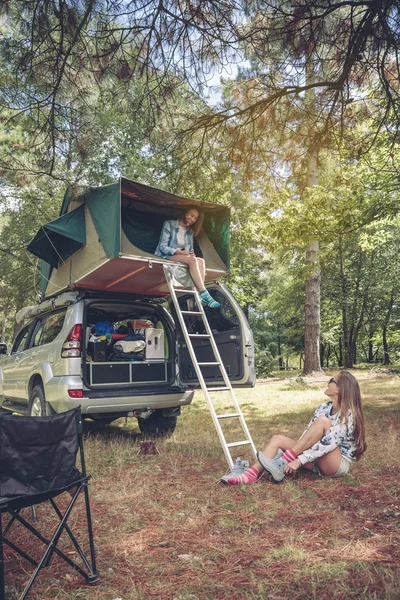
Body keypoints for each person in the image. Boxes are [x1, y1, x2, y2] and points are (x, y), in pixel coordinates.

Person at [225, 370, 367, 485]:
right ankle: (251, 474)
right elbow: (307, 435)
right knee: (278, 439)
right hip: (315, 460)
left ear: (339, 389)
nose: (328, 381)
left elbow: (329, 443)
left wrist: (298, 460)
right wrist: (297, 453)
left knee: (323, 422)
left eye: (331, 380)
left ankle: (282, 460)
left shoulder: (349, 415)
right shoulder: (323, 408)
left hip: (335, 464)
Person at [154, 206, 220, 308]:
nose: (193, 219)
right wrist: (179, 252)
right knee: (193, 260)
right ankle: (204, 293)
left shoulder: (190, 231)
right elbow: (163, 247)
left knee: (201, 261)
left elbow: (190, 250)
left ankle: (199, 295)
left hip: (182, 257)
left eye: (195, 218)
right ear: (185, 213)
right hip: (165, 255)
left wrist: (190, 253)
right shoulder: (169, 224)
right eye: (191, 215)